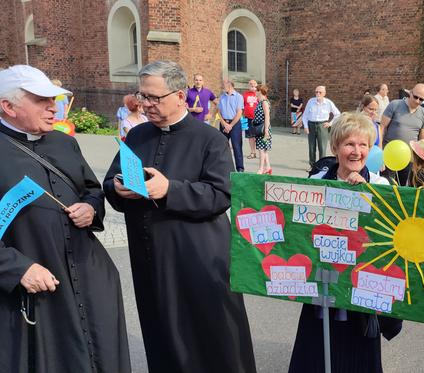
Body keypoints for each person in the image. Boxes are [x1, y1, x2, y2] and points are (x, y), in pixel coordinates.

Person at [102, 60, 256, 373]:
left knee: (210, 338)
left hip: (198, 258)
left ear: (180, 97)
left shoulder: (209, 139)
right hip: (150, 258)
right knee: (162, 333)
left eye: (153, 98)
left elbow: (222, 194)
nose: (145, 105)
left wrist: (169, 189)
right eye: (142, 96)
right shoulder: (137, 136)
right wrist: (118, 188)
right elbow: (111, 179)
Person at [0, 65, 130, 373]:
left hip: (90, 277)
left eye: (54, 99)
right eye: (41, 100)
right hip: (33, 285)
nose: (53, 107)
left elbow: (91, 190)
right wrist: (17, 268)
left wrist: (90, 209)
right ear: (8, 106)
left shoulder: (64, 142)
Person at [289, 112, 402, 373]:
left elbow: (389, 241)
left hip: (362, 290)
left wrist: (367, 195)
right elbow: (298, 234)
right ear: (335, 147)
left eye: (363, 145)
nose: (356, 151)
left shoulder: (381, 184)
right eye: (350, 144)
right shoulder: (315, 183)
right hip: (321, 286)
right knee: (316, 356)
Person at [380, 83, 424, 185]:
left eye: (421, 99)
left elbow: (422, 140)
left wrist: (421, 162)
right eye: (415, 97)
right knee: (387, 185)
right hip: (389, 154)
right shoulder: (395, 105)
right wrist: (380, 151)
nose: (417, 101)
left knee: (403, 187)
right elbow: (381, 128)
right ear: (410, 93)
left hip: (409, 158)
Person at [302, 85, 341, 167]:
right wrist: (305, 126)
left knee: (322, 147)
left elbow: (338, 114)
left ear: (324, 93)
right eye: (316, 92)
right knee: (311, 147)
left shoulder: (328, 103)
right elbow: (305, 115)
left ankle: (321, 166)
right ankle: (312, 166)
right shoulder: (311, 101)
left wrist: (330, 123)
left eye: (320, 92)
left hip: (322, 125)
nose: (318, 94)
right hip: (311, 125)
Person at [217, 79, 245, 172]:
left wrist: (231, 125)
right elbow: (219, 112)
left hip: (235, 124)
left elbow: (239, 112)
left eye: (224, 84)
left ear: (230, 85)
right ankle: (223, 168)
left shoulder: (238, 97)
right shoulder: (222, 97)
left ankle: (240, 168)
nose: (222, 86)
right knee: (222, 147)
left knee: (237, 146)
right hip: (224, 123)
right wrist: (224, 124)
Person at [254, 84, 272, 174]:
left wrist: (266, 131)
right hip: (259, 128)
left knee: (261, 149)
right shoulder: (260, 102)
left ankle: (261, 169)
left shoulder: (264, 102)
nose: (255, 92)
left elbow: (267, 117)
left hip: (263, 128)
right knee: (264, 149)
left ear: (260, 92)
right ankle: (268, 167)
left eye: (256, 90)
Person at [243, 79, 259, 158]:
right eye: (251, 85)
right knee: (250, 136)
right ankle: (253, 152)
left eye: (254, 85)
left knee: (258, 136)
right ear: (248, 86)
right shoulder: (245, 94)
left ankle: (261, 152)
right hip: (247, 118)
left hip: (257, 118)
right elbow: (242, 106)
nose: (252, 86)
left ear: (256, 86)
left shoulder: (259, 94)